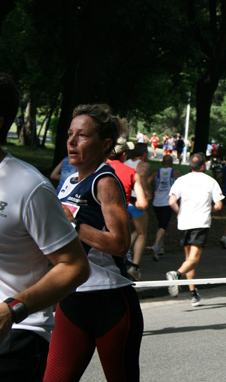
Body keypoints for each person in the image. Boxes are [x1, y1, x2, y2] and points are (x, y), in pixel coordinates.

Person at [0, 73, 89, 382]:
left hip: (16, 337)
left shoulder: (28, 187)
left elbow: (76, 266)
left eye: (82, 136)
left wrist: (12, 310)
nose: (72, 142)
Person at [45, 104, 143, 381]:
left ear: (105, 144)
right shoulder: (68, 182)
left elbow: (119, 244)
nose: (72, 141)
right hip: (71, 297)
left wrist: (73, 225)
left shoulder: (105, 181)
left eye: (83, 135)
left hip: (109, 301)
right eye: (70, 134)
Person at [166, 153, 224, 306]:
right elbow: (219, 205)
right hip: (200, 223)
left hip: (184, 223)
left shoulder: (181, 180)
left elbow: (171, 201)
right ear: (203, 166)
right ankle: (176, 274)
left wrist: (179, 212)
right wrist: (209, 209)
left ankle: (193, 293)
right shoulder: (210, 181)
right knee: (194, 260)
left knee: (189, 260)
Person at [124, 143, 152, 280]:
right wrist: (147, 191)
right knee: (142, 233)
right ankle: (134, 266)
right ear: (144, 154)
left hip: (125, 200)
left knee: (134, 230)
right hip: (137, 199)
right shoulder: (143, 164)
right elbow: (141, 174)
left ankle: (124, 254)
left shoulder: (126, 162)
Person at [148, 154, 180, 260]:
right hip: (168, 202)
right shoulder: (175, 172)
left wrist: (149, 191)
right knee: (163, 226)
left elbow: (147, 181)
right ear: (171, 163)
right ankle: (156, 245)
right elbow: (180, 185)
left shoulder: (156, 172)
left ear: (162, 162)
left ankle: (161, 247)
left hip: (156, 202)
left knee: (161, 224)